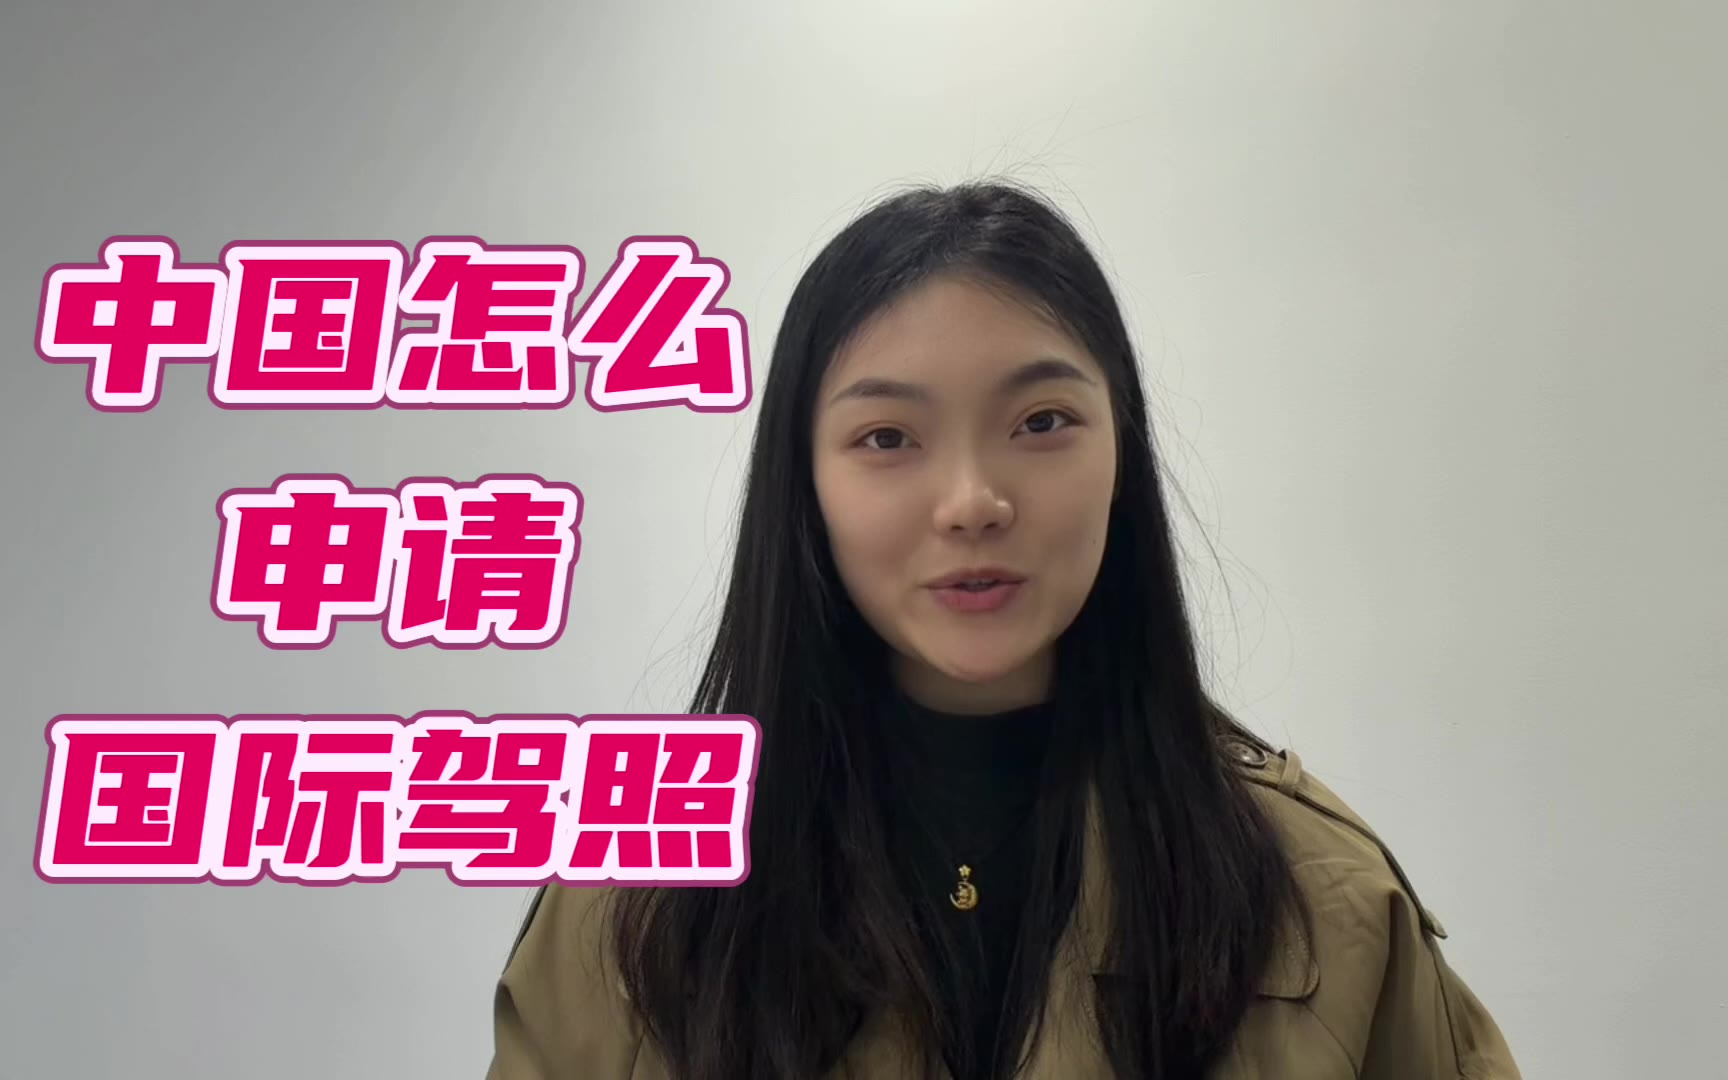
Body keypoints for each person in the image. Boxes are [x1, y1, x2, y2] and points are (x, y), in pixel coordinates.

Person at [483, 182, 1522, 1079]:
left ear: (1121, 456)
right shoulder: (633, 908)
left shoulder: (1319, 901)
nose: (972, 502)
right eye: (887, 437)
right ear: (805, 486)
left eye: (1041, 423)